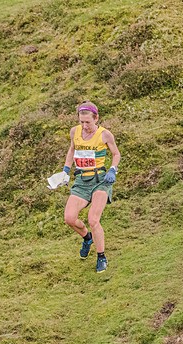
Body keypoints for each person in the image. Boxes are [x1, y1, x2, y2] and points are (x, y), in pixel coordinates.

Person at [62, 102, 121, 273]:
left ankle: (101, 256)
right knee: (69, 218)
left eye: (88, 122)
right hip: (82, 181)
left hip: (100, 181)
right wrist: (66, 170)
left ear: (96, 119)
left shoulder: (105, 135)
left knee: (93, 219)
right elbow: (72, 150)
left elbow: (116, 154)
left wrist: (113, 169)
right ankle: (87, 238)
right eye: (82, 122)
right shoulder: (75, 132)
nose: (85, 126)